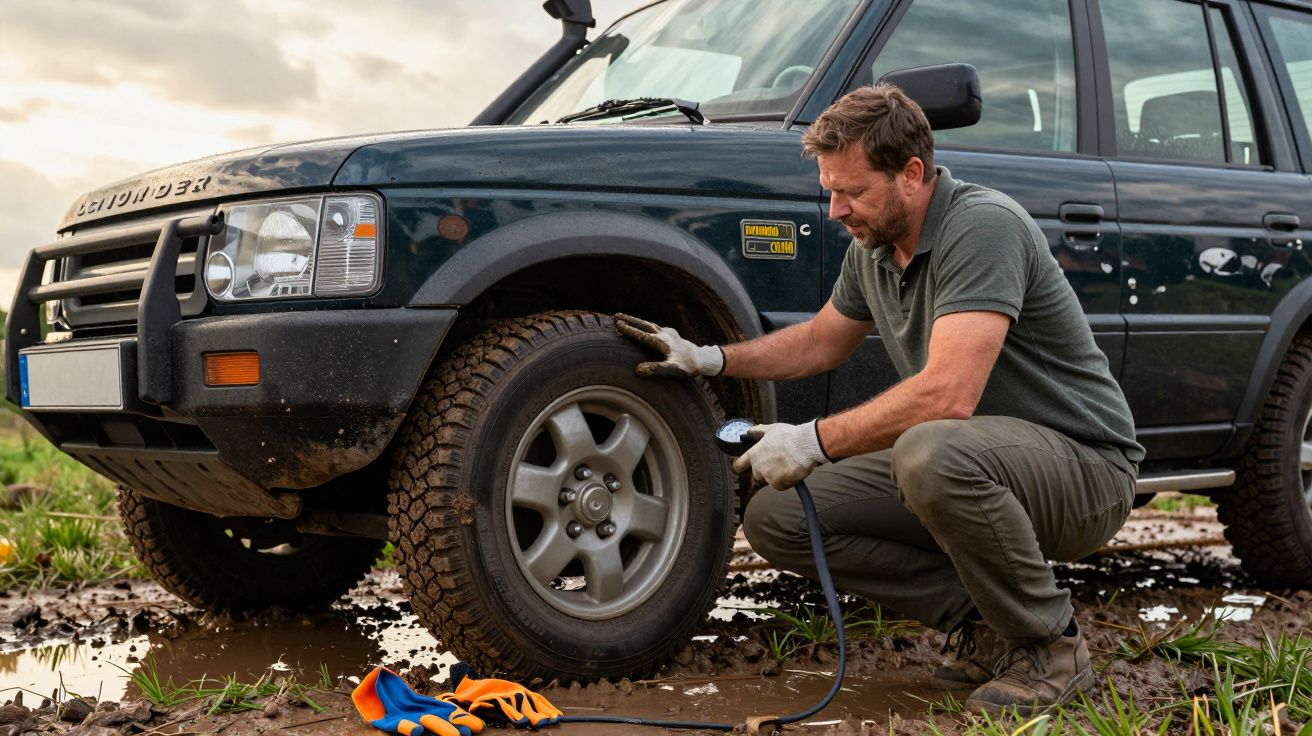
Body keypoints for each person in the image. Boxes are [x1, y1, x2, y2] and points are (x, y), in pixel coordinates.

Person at [615, 83, 1143, 715]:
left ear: (912, 174)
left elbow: (948, 393)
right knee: (779, 519)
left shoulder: (982, 226)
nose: (837, 209)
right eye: (830, 189)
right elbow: (818, 342)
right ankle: (988, 627)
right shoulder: (873, 245)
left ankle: (1051, 648)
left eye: (854, 191)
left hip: (1084, 472)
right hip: (984, 464)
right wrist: (711, 358)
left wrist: (811, 440)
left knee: (929, 451)